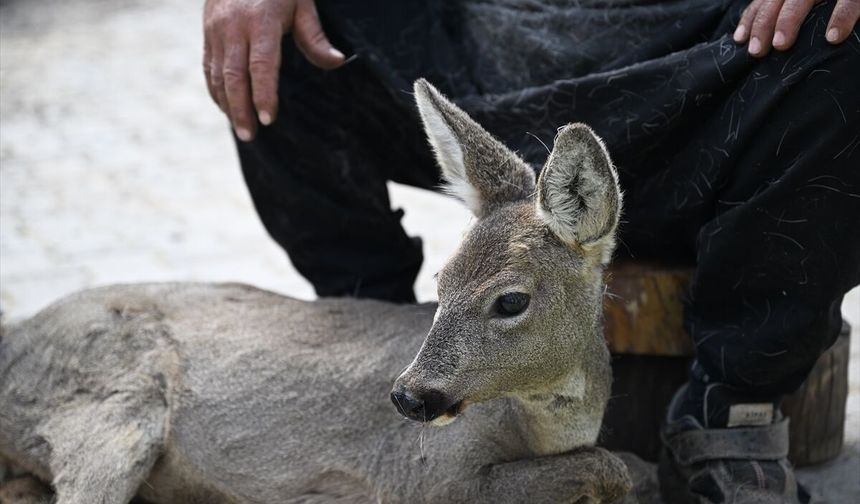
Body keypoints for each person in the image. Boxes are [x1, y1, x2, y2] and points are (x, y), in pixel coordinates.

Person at [202, 1, 859, 502]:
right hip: (472, 60)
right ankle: (380, 331)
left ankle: (730, 411)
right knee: (268, 29)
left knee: (843, 37)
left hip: (709, 75)